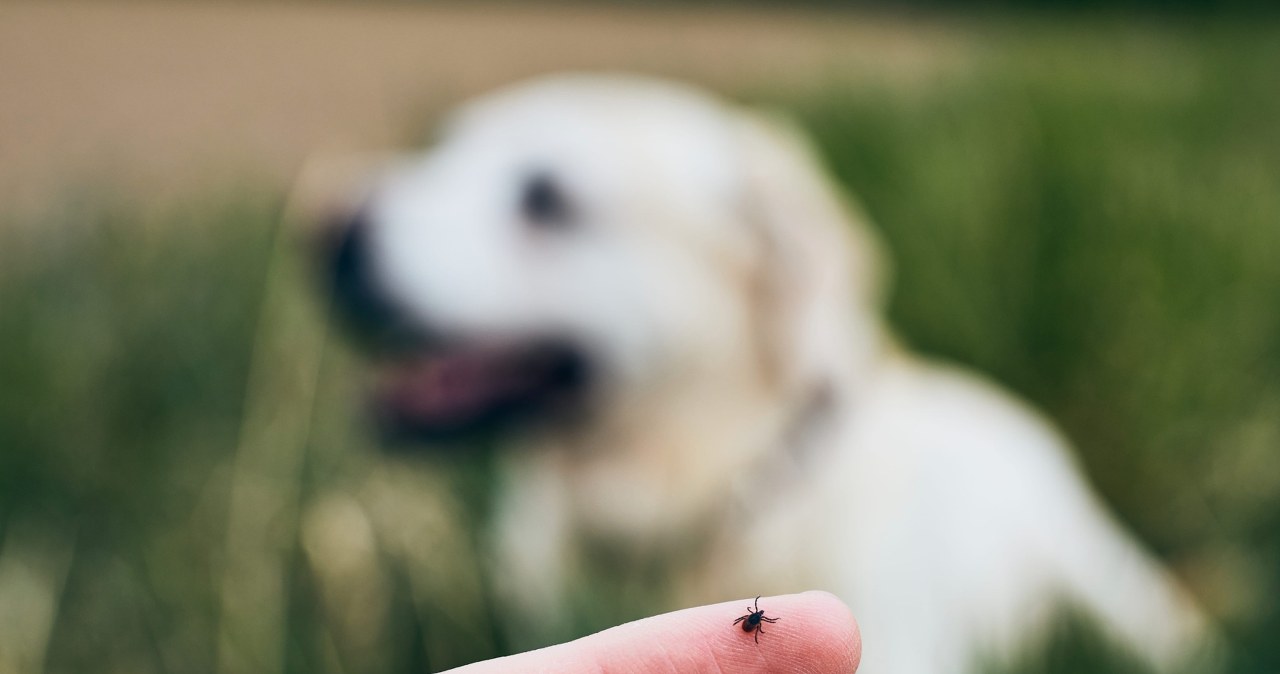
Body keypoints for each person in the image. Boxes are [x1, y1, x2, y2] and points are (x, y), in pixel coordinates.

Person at [446, 592, 861, 673]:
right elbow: (752, 627)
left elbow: (745, 622)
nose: (756, 619)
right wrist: (754, 631)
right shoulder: (757, 621)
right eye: (756, 617)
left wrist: (747, 624)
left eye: (757, 618)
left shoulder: (749, 617)